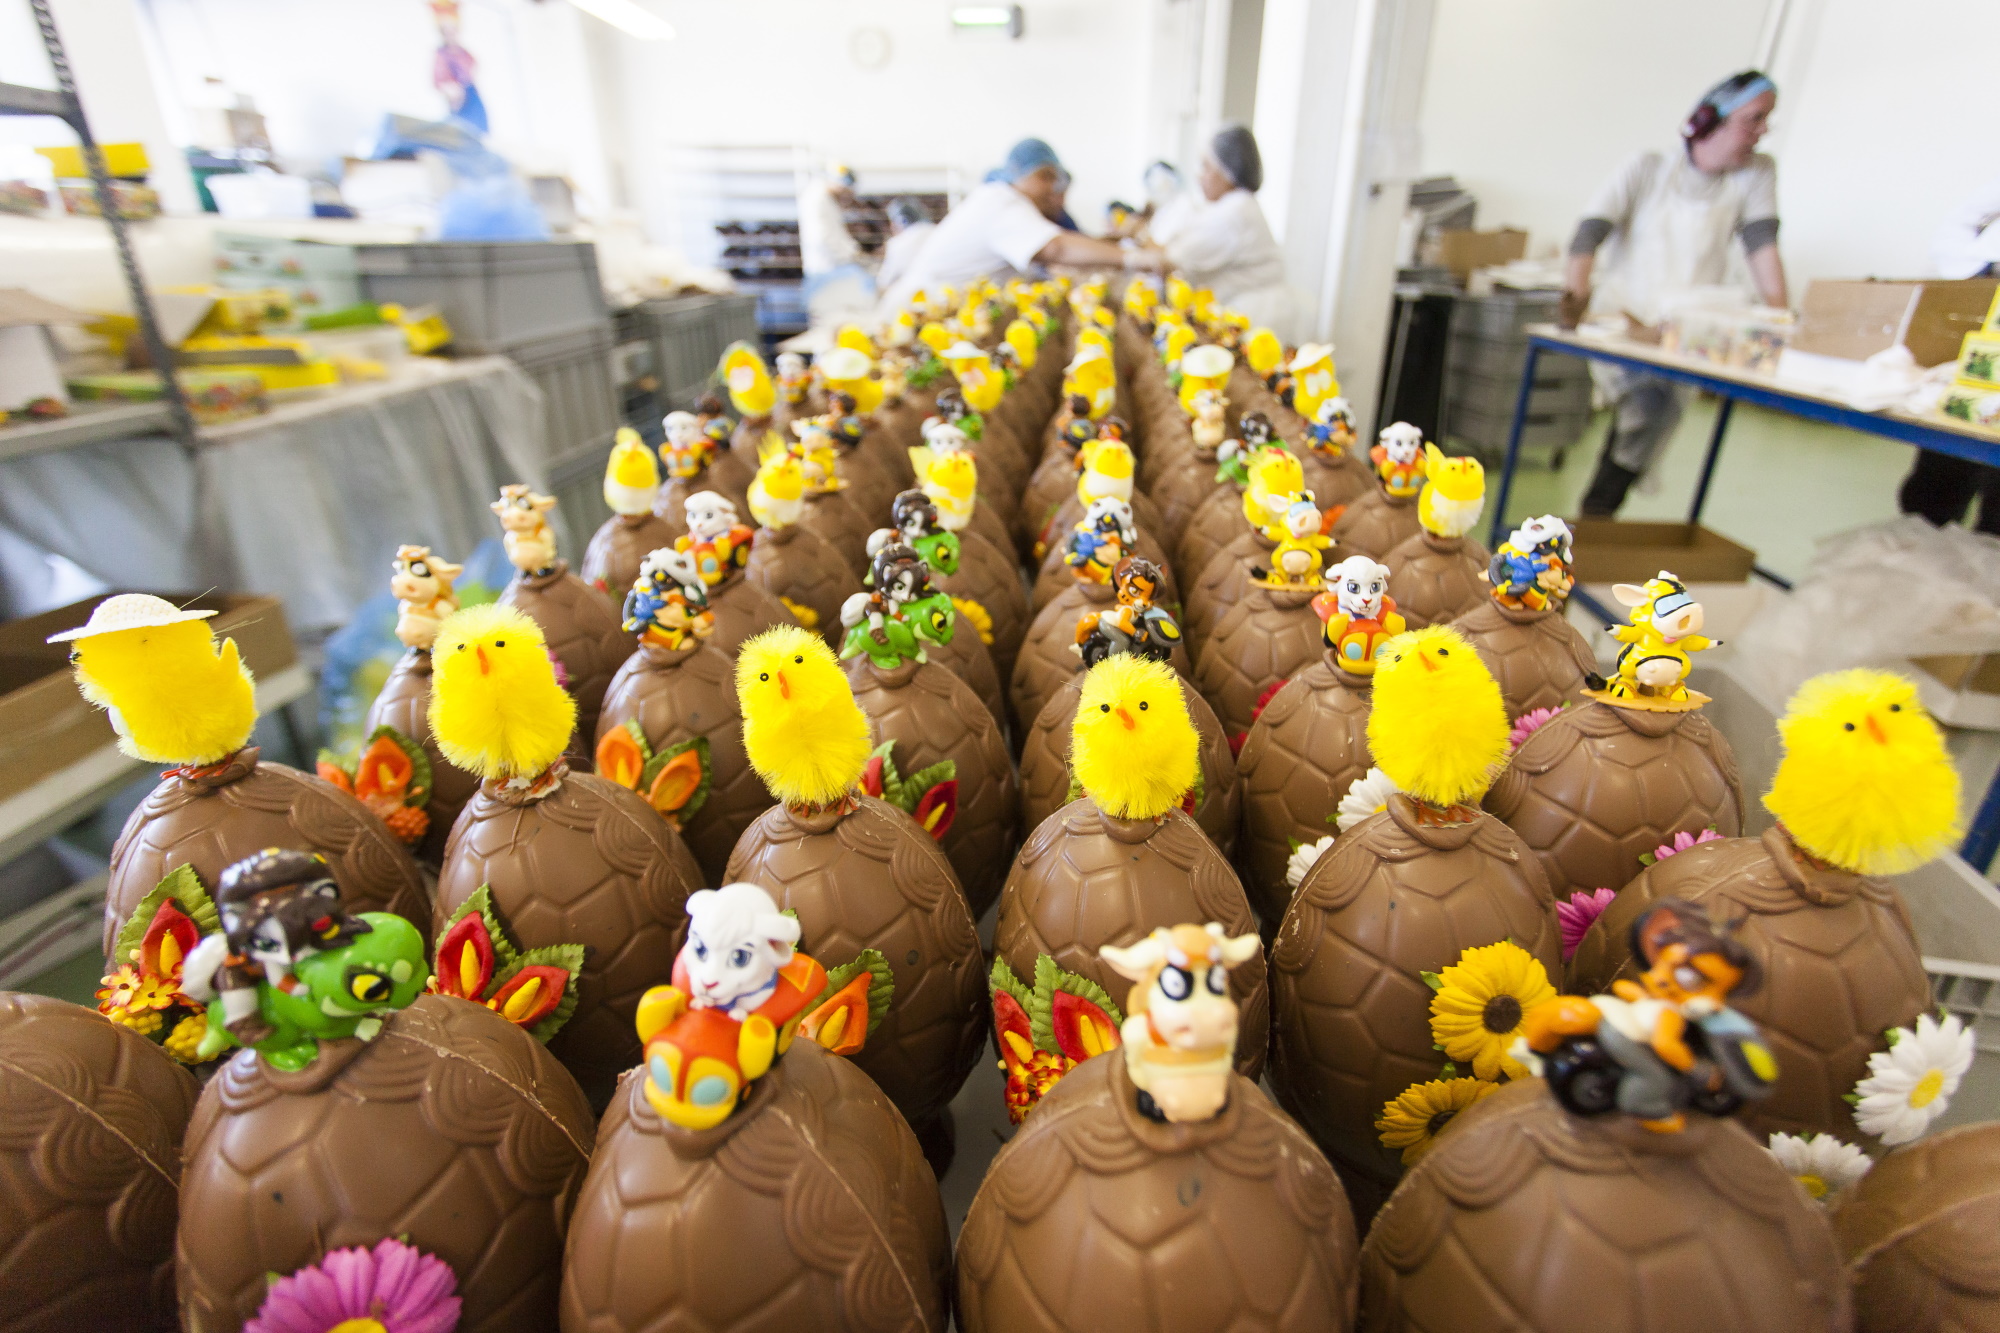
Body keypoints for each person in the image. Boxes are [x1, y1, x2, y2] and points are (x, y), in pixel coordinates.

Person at [1562, 71, 1788, 517]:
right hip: (1629, 317)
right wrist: (1574, 294)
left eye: (1767, 121)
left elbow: (1762, 245)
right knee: (1643, 411)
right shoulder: (1648, 169)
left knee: (1646, 427)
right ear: (1710, 119)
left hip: (1691, 327)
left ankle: (1594, 521)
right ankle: (1595, 516)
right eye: (1753, 119)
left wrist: (1782, 318)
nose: (1761, 132)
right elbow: (1590, 232)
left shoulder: (1754, 175)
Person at [880, 139, 1163, 314]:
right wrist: (1136, 259)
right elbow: (1056, 248)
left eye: (1056, 178)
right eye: (1045, 176)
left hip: (939, 311)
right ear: (1017, 174)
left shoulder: (1009, 205)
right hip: (915, 312)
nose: (1053, 187)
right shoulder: (1001, 203)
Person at [1900, 181, 2000, 533]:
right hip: (1985, 322)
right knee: (1938, 488)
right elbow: (1961, 220)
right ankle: (1923, 554)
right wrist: (1977, 271)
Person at [1162, 124, 1293, 337]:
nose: (1199, 176)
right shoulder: (1231, 205)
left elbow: (1175, 257)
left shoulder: (1235, 211)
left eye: (1206, 167)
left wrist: (1130, 256)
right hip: (1243, 308)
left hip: (1253, 315)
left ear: (1227, 171)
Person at [798, 160, 872, 324]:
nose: (846, 196)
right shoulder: (817, 200)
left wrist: (855, 253)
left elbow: (837, 235)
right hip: (826, 270)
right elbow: (826, 238)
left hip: (834, 268)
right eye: (845, 190)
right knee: (828, 324)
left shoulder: (826, 200)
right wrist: (853, 256)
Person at [876, 197, 936, 297]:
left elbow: (883, 282)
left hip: (916, 297)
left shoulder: (897, 243)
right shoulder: (936, 231)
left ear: (899, 221)